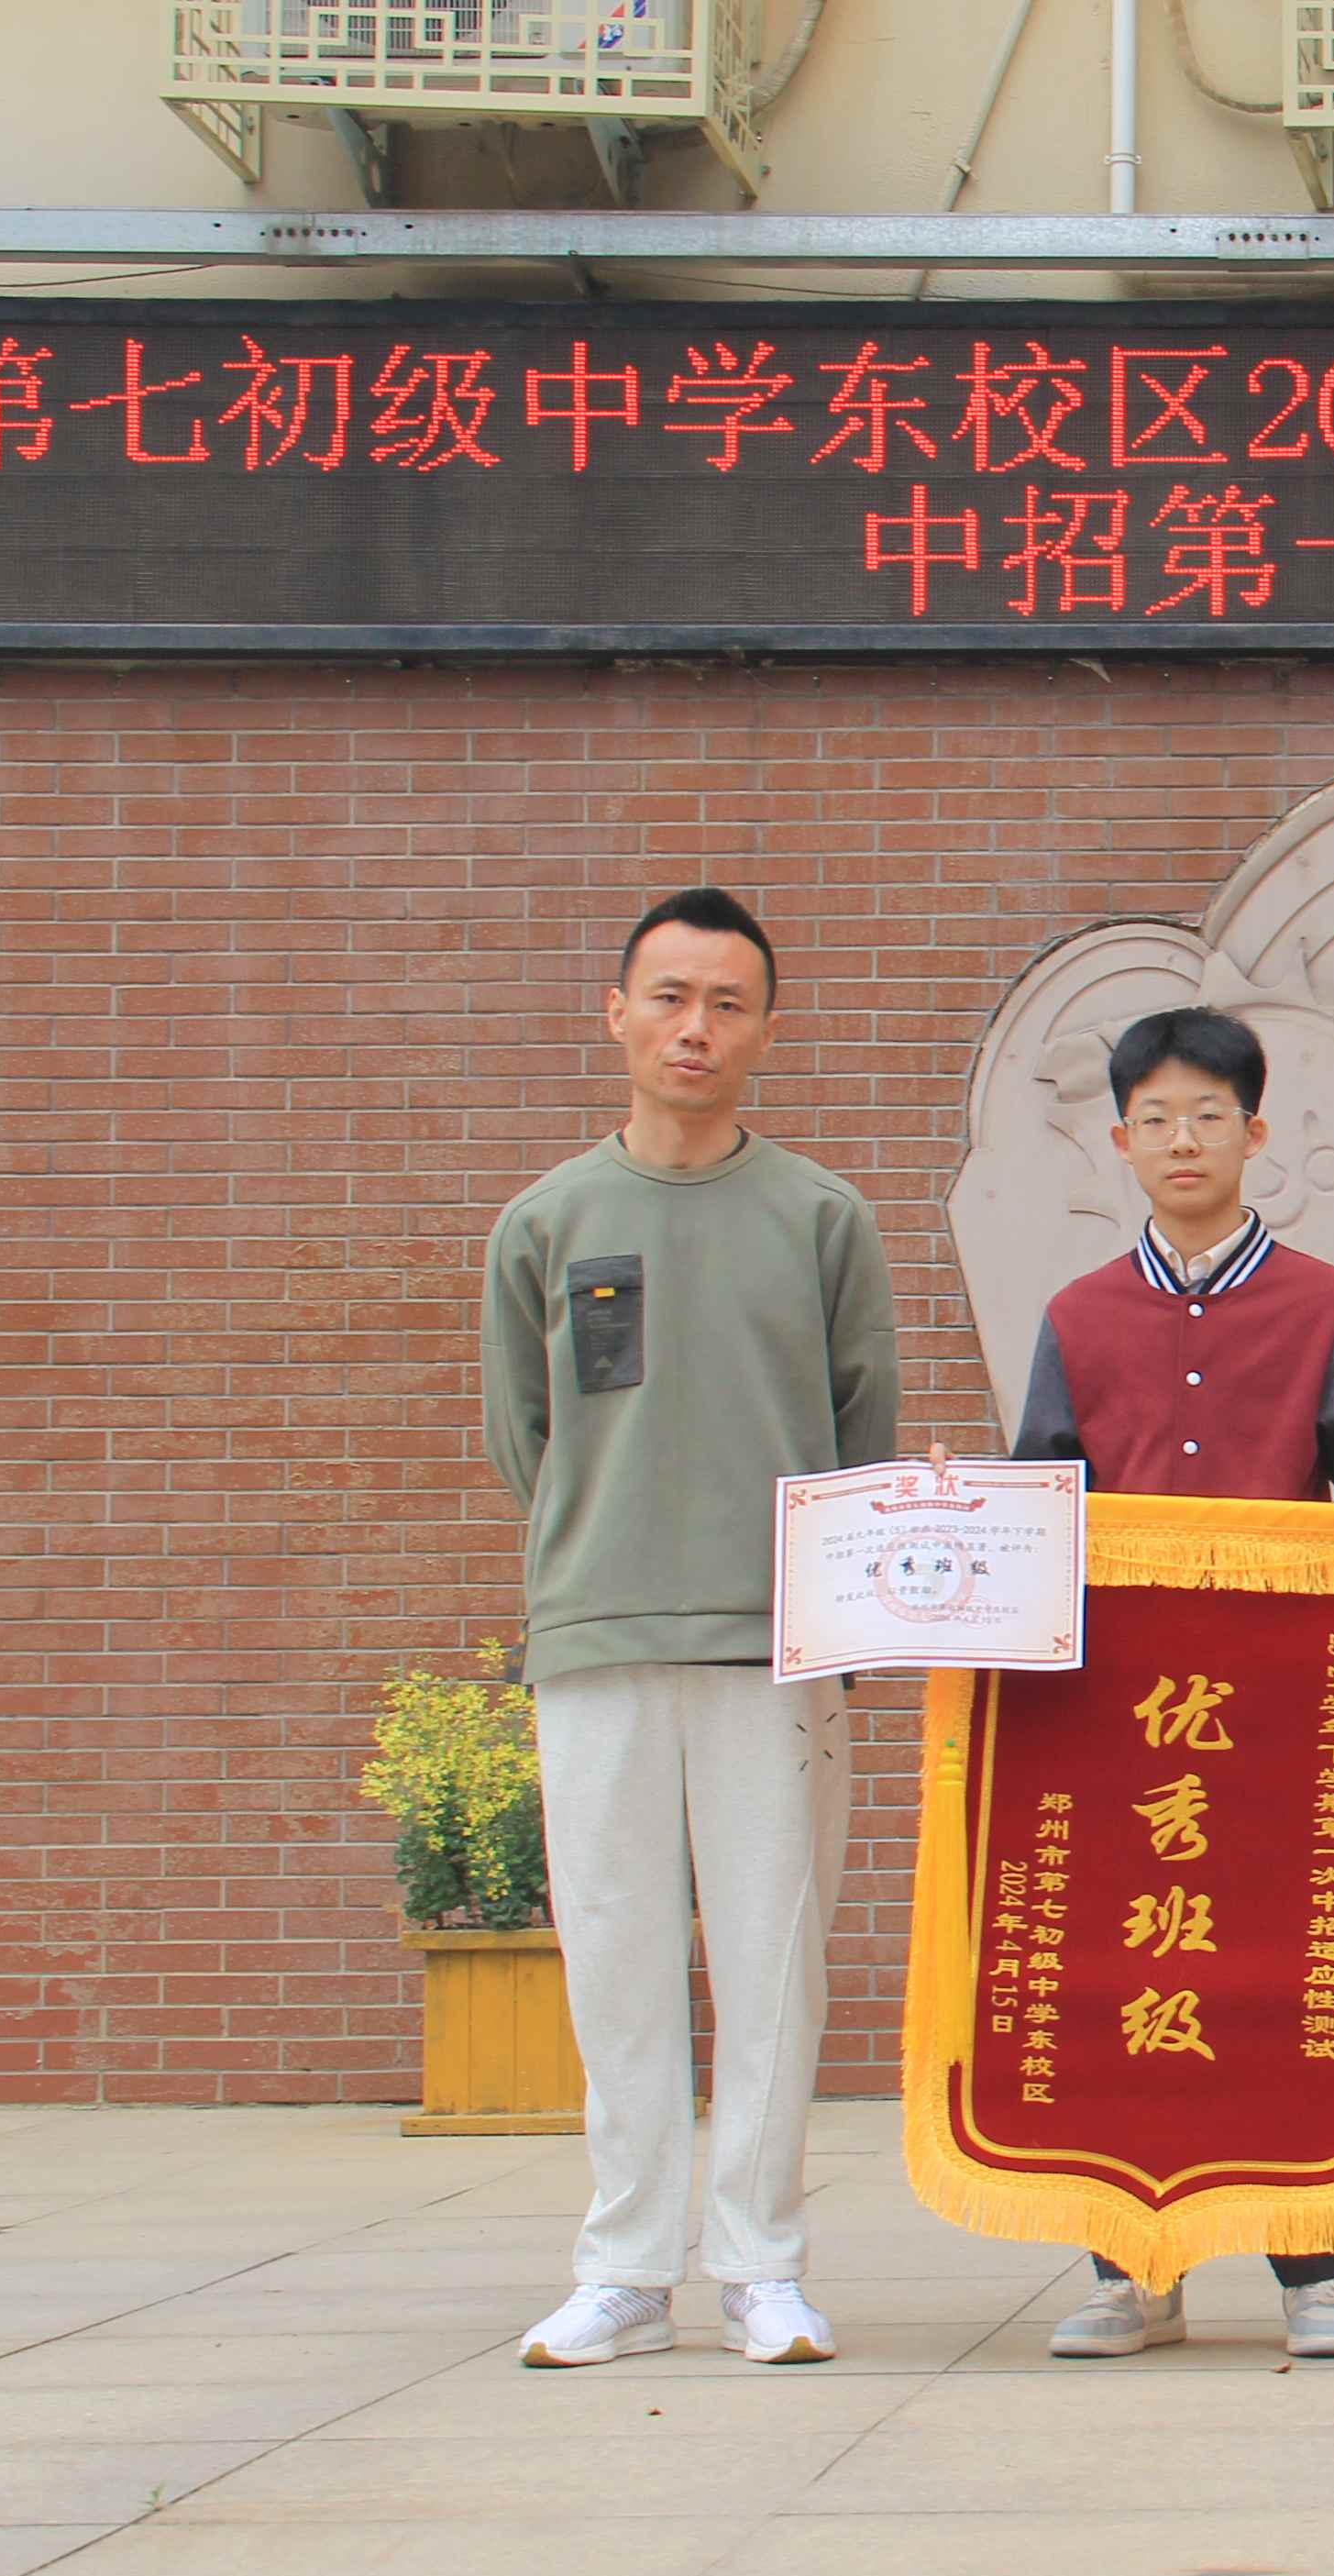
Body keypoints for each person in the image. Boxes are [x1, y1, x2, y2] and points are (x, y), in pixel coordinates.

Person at [1009, 1003, 1334, 2362]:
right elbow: (1042, 1499)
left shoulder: (1323, 1305)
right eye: (1154, 1119)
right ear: (1120, 1143)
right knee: (1116, 1971)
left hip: (1279, 1708)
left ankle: (1315, 2267)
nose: (1182, 1141)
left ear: (1255, 1133)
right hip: (1118, 1718)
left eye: (1208, 1115)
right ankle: (1129, 2272)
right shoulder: (1078, 1316)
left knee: (1286, 1969)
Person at [489, 887, 901, 2371]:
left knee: (775, 1959)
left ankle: (761, 2267)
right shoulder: (546, 1223)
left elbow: (860, 1429)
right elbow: (526, 1438)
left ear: (766, 1032)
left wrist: (836, 1611)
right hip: (595, 1632)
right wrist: (601, 1554)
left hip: (774, 1643)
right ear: (615, 1013)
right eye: (667, 997)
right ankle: (623, 2268)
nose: (693, 1029)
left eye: (726, 1004)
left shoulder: (821, 1219)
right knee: (612, 1955)